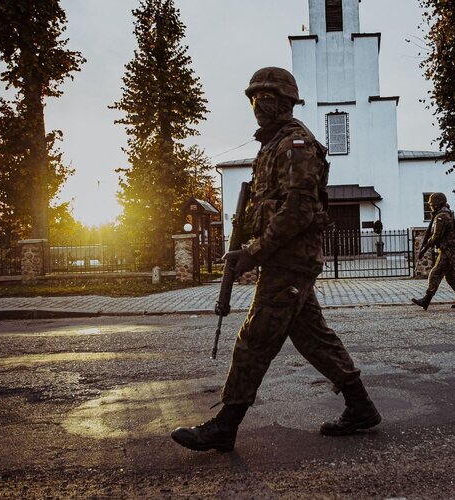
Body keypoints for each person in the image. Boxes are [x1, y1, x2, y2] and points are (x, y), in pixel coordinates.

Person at [171, 67, 381, 452]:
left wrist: (253, 253)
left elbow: (298, 210)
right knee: (313, 337)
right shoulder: (271, 147)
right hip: (285, 260)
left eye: (265, 98)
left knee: (254, 340)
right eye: (253, 98)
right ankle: (361, 406)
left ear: (285, 102)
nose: (257, 106)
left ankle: (225, 426)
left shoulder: (295, 145)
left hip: (290, 261)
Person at [412, 192, 455, 310]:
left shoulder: (442, 216)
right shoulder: (445, 213)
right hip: (450, 249)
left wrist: (424, 248)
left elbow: (436, 236)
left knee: (435, 273)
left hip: (448, 250)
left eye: (432, 205)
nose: (431, 207)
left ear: (438, 204)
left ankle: (426, 300)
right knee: (450, 276)